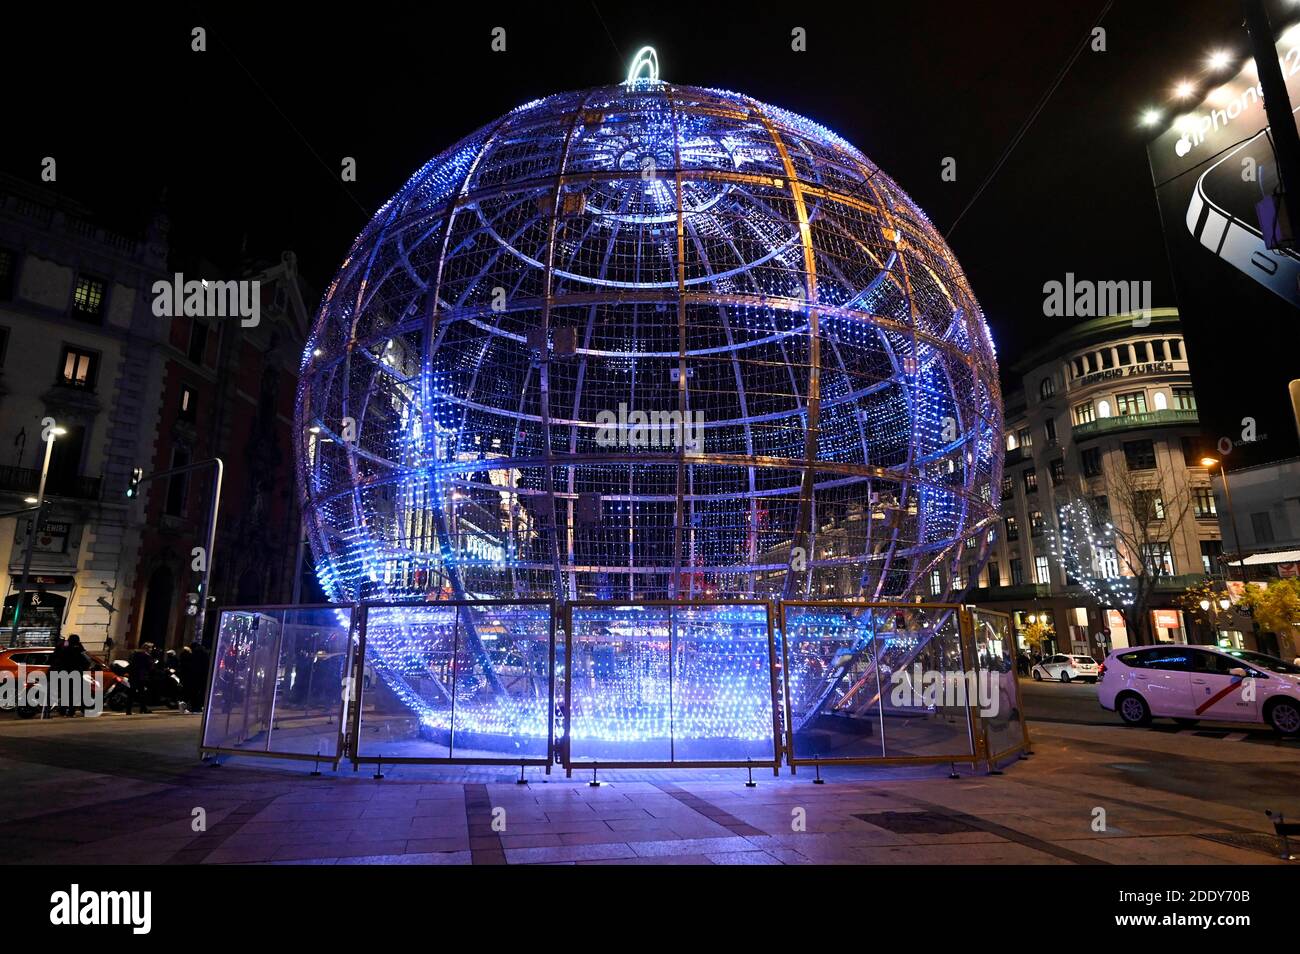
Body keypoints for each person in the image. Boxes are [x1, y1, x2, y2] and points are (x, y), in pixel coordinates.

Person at [61, 634, 89, 716]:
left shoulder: (66, 647)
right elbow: (86, 659)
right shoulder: (79, 648)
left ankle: (63, 709)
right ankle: (73, 710)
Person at [125, 643, 155, 715]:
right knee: (142, 693)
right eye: (151, 648)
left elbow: (131, 664)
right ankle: (143, 709)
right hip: (141, 677)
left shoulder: (135, 655)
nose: (151, 649)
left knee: (131, 693)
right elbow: (149, 667)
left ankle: (129, 710)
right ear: (147, 648)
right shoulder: (146, 656)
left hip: (133, 676)